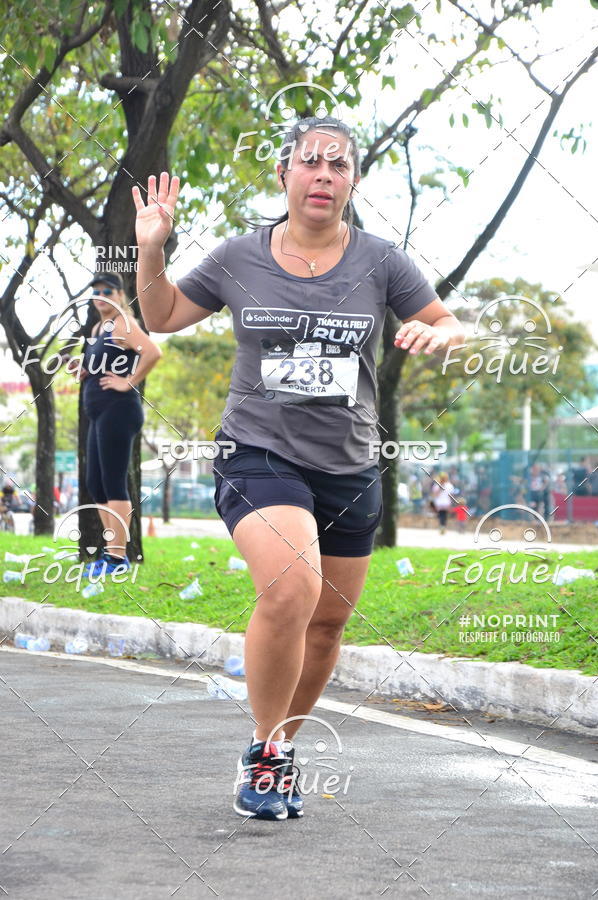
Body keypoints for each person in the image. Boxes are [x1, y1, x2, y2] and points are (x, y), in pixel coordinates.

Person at [132, 116, 465, 821]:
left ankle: (281, 748)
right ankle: (259, 748)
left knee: (326, 624)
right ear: (284, 175)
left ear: (350, 183)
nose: (323, 174)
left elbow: (451, 321)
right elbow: (159, 315)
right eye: (309, 162)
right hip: (257, 452)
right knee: (291, 586)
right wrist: (151, 250)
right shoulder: (237, 258)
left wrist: (435, 333)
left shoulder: (381, 260)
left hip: (348, 465)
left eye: (338, 165)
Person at [67, 272, 162, 575]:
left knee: (112, 482)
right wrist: (84, 368)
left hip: (119, 411)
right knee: (96, 483)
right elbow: (104, 359)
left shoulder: (124, 324)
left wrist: (129, 383)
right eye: (96, 292)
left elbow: (152, 352)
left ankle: (118, 559)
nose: (101, 297)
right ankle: (110, 554)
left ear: (120, 295)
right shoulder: (99, 327)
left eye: (108, 291)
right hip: (98, 412)